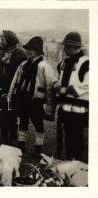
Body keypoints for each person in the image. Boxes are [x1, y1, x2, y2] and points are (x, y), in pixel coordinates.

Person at [8, 36, 57, 157]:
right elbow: (15, 80)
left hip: (36, 99)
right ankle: (21, 143)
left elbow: (50, 83)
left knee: (38, 122)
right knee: (23, 120)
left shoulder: (44, 66)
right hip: (23, 96)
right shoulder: (23, 64)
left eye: (32, 49)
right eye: (28, 49)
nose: (29, 51)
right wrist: (11, 94)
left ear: (38, 51)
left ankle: (38, 147)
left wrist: (49, 103)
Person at [54, 32, 89, 161]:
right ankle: (70, 159)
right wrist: (58, 84)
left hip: (78, 108)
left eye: (66, 46)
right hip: (65, 107)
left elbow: (88, 85)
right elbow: (61, 78)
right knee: (67, 135)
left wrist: (67, 90)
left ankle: (77, 163)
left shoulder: (86, 63)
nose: (64, 49)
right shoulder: (64, 62)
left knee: (77, 136)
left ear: (74, 47)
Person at [0, 30, 27, 144]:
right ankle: (4, 137)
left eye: (3, 39)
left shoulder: (19, 53)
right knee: (2, 112)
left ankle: (13, 137)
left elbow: (22, 72)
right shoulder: (2, 52)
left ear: (10, 40)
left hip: (13, 87)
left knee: (12, 112)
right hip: (2, 86)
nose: (1, 41)